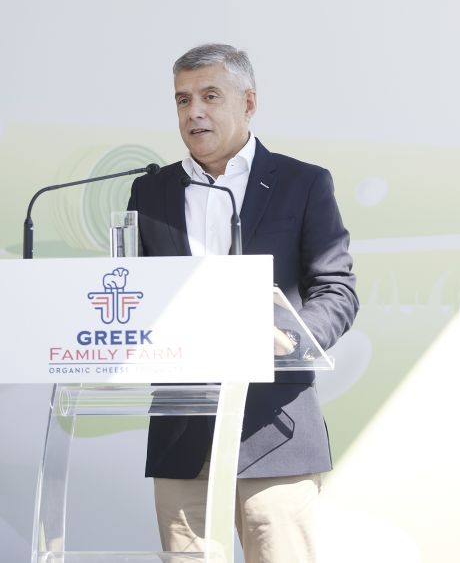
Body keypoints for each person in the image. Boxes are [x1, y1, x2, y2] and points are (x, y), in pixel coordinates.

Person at [127, 43, 358, 563]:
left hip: (274, 430)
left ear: (248, 103)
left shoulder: (302, 183)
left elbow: (337, 290)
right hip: (182, 434)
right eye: (183, 100)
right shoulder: (150, 192)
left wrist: (291, 336)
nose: (194, 112)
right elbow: (137, 296)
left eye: (210, 96)